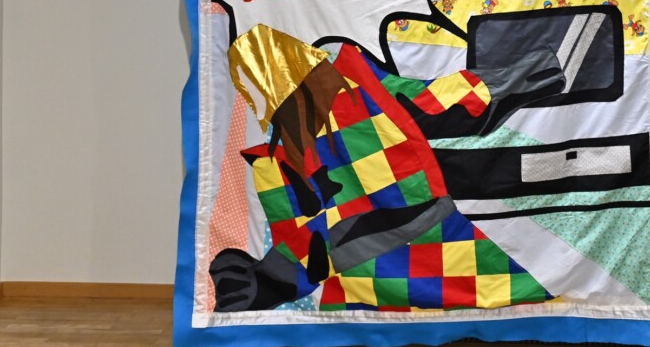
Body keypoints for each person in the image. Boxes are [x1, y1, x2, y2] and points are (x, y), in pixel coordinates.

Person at [209, 24, 561, 312]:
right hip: (434, 246)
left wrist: (264, 282)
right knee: (503, 295)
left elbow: (302, 248)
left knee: (496, 293)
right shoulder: (361, 93)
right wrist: (526, 74)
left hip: (363, 282)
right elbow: (442, 101)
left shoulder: (275, 163)